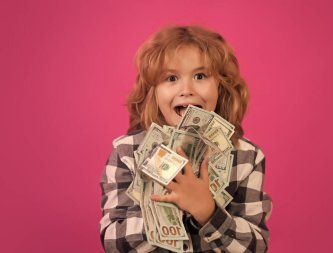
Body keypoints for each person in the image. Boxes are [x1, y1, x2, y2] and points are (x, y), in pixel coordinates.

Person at [99, 25, 272, 252]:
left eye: (200, 76)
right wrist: (169, 206)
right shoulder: (127, 152)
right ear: (153, 92)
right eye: (171, 78)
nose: (186, 89)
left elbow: (255, 247)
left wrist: (207, 211)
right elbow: (113, 242)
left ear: (222, 87)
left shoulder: (246, 156)